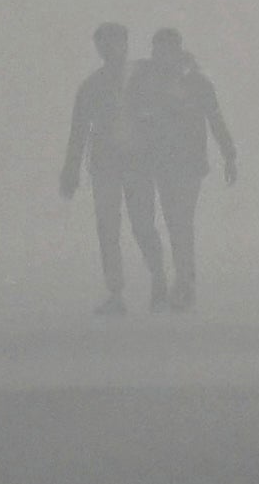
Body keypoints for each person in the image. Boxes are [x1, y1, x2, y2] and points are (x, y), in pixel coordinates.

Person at [60, 23, 165, 315]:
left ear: (125, 43)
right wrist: (71, 168)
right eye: (103, 44)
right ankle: (116, 291)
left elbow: (163, 116)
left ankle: (159, 281)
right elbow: (78, 130)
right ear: (98, 48)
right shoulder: (92, 86)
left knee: (142, 225)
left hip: (138, 164)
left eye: (114, 42)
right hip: (106, 166)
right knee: (108, 228)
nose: (109, 49)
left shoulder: (145, 77)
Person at [128, 27, 235, 311]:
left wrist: (229, 153)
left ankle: (184, 283)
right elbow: (129, 116)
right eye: (157, 50)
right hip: (155, 163)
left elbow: (215, 119)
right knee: (161, 223)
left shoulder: (197, 83)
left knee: (180, 223)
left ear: (177, 51)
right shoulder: (144, 82)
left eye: (166, 50)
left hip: (188, 165)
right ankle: (170, 279)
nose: (161, 56)